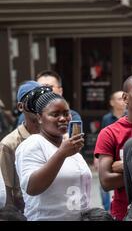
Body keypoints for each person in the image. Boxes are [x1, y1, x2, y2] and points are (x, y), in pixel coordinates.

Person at [15, 91, 92, 221]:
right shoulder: (32, 144)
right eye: (55, 114)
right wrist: (61, 154)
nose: (63, 118)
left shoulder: (68, 144)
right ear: (39, 118)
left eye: (66, 113)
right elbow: (32, 187)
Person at [94, 75, 132, 220]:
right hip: (123, 213)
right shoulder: (109, 133)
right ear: (125, 98)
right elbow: (106, 181)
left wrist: (125, 166)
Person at [0, 81, 51, 212]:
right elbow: (7, 192)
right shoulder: (9, 144)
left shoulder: (54, 137)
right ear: (20, 106)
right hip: (25, 212)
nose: (38, 104)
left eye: (42, 99)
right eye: (33, 99)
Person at [15, 70, 82, 127]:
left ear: (60, 91)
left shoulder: (72, 116)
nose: (44, 92)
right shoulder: (26, 116)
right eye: (40, 89)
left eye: (49, 87)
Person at [96, 90, 126, 211]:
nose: (122, 102)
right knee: (103, 181)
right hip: (109, 154)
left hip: (123, 155)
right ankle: (107, 208)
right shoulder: (107, 118)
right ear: (112, 102)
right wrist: (96, 158)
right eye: (119, 99)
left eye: (123, 98)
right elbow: (102, 138)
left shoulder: (131, 117)